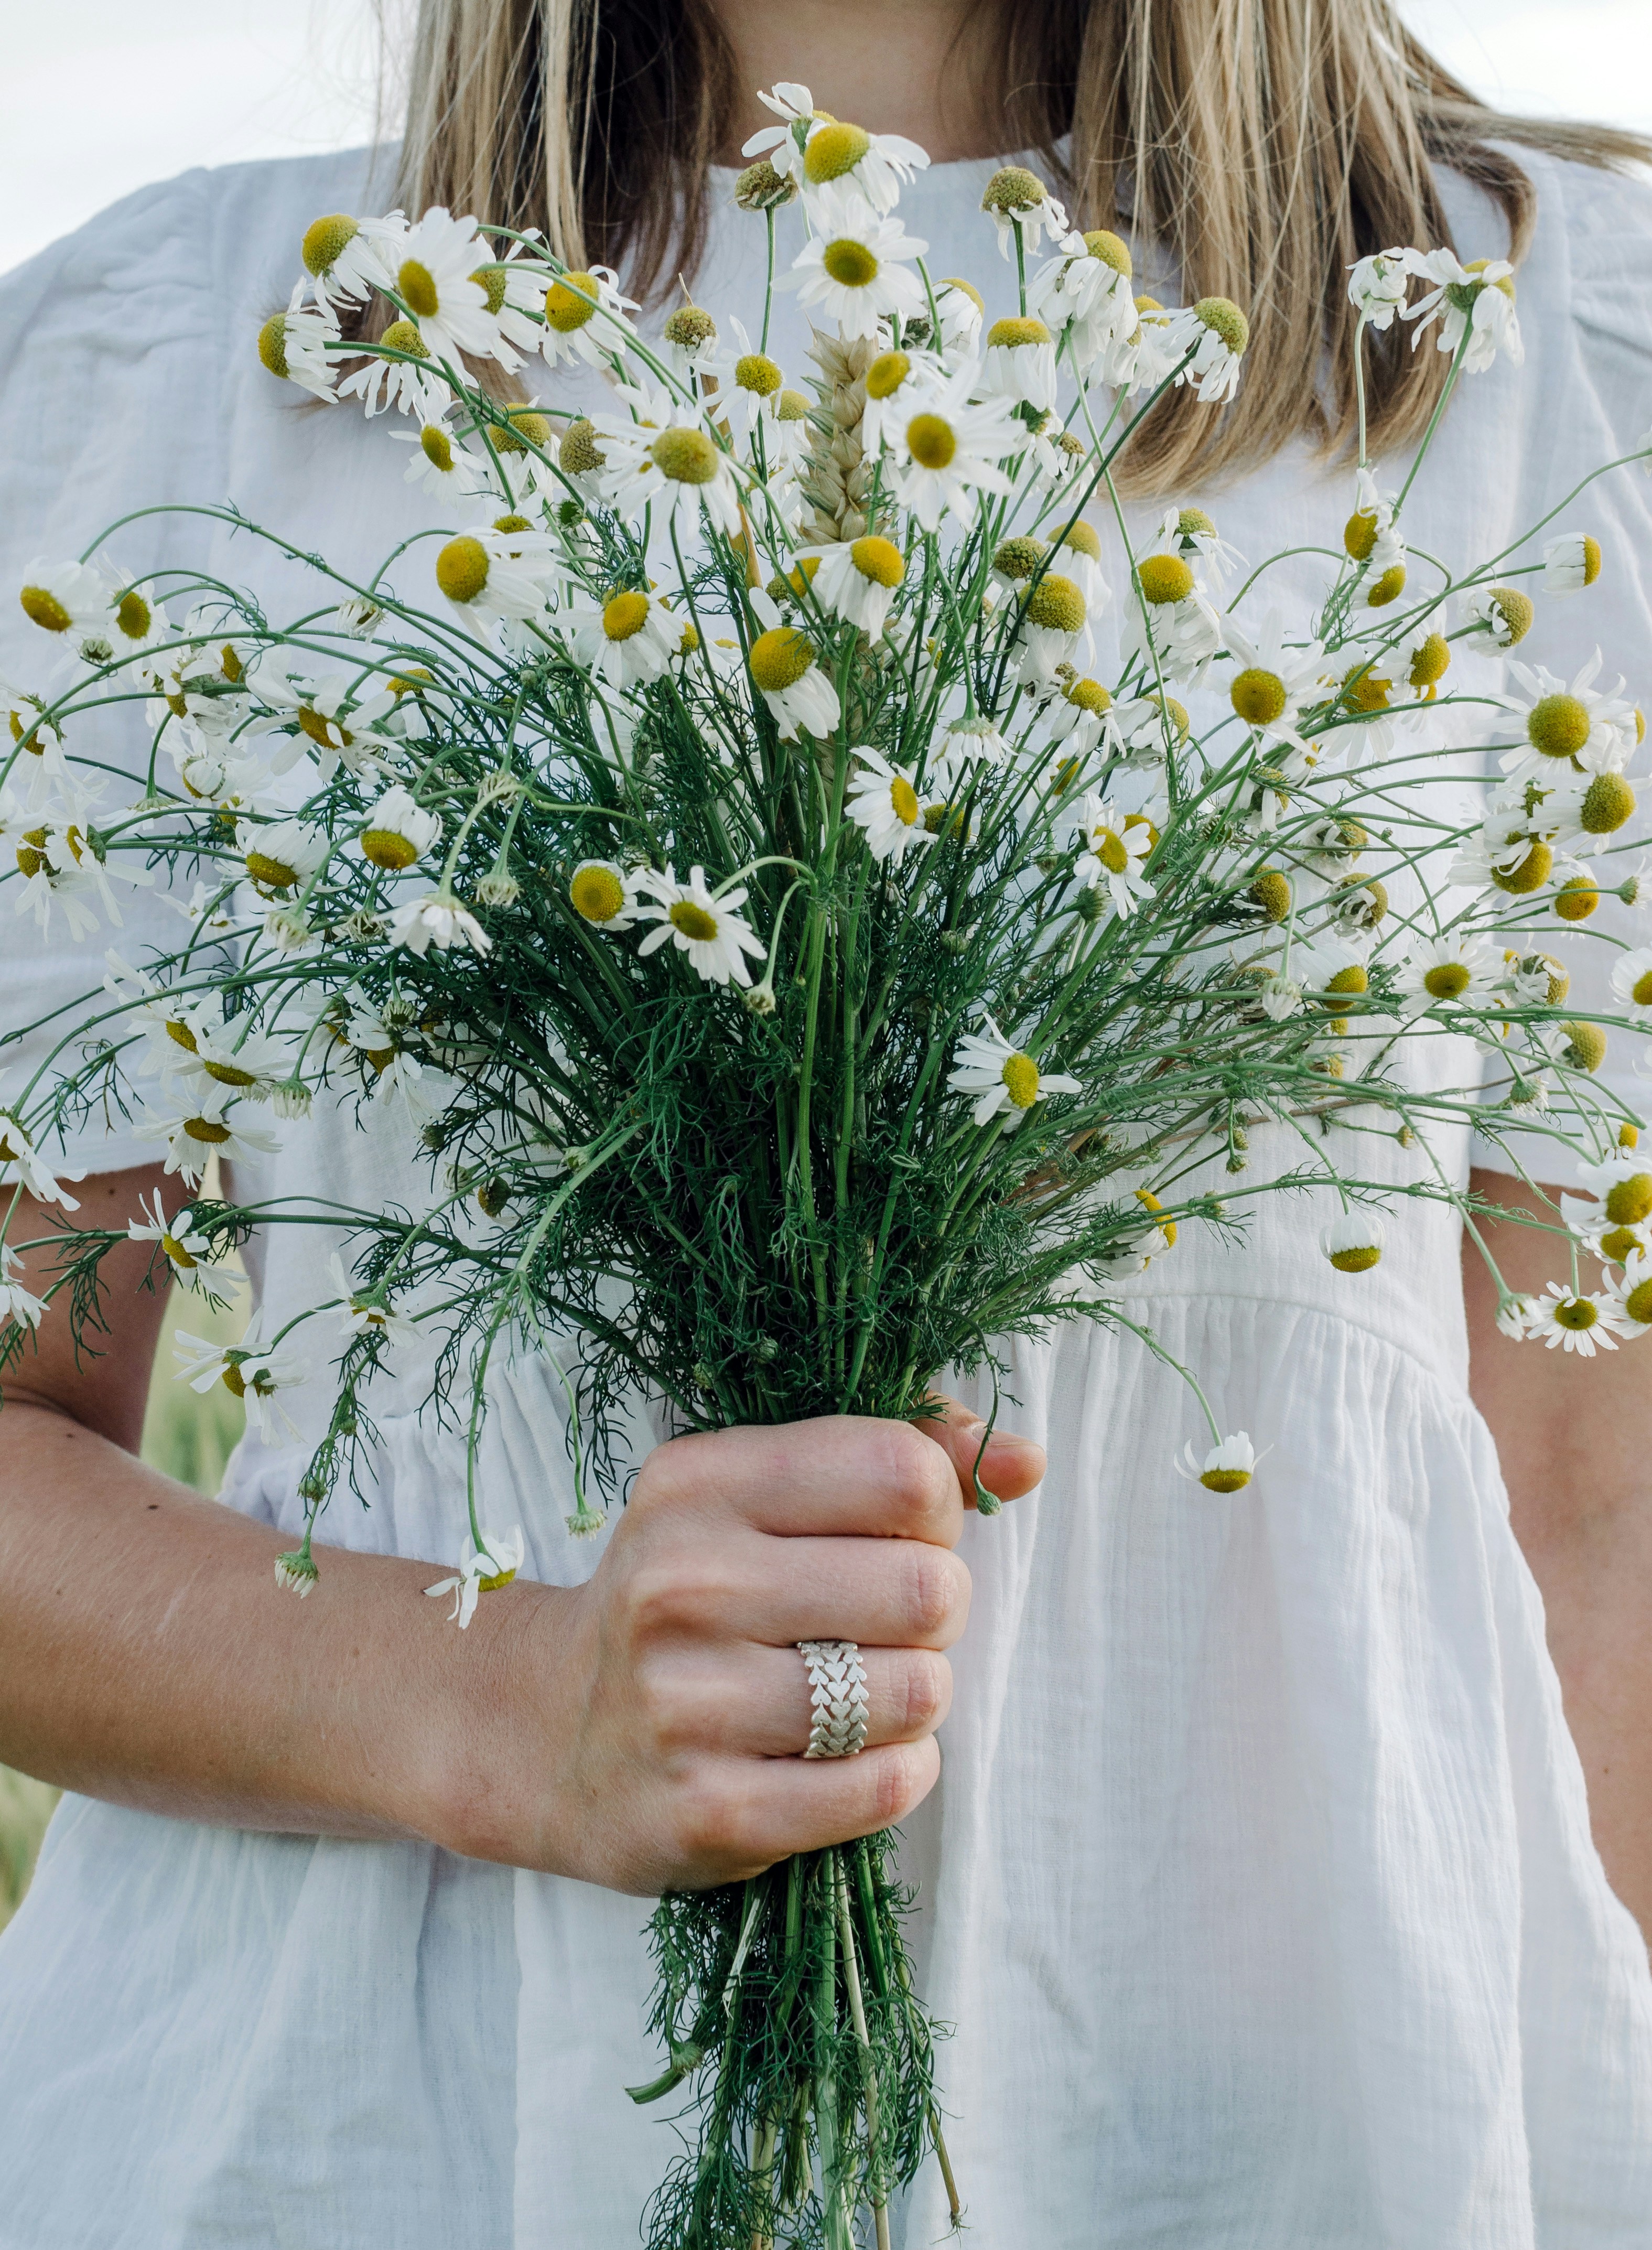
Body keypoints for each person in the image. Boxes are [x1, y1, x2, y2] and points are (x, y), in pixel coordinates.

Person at [1, 0, 1650, 2238]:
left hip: (1285, 2133)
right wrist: (494, 1704)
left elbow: (1591, 1495)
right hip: (376, 2134)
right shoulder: (190, 360)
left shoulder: (1559, 353)